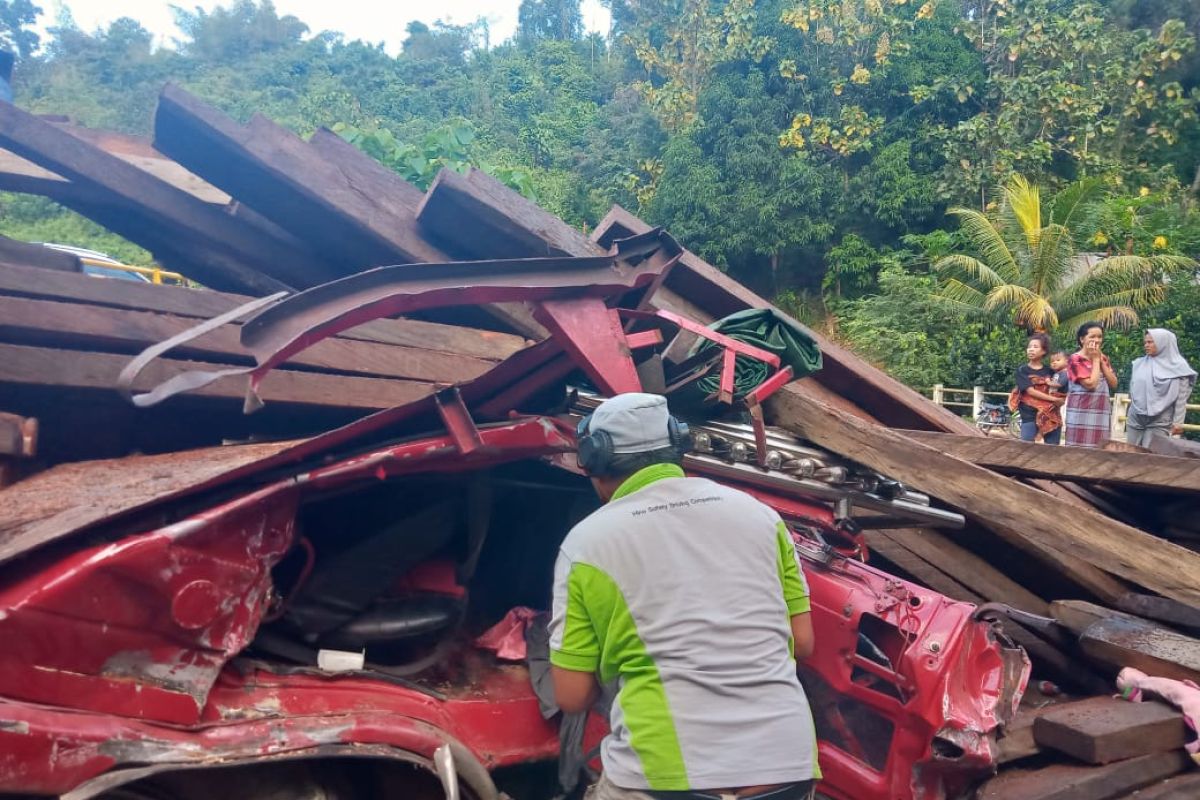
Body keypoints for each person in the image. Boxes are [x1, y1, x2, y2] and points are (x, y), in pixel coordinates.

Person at [550, 393, 819, 800]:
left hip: (665, 778)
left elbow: (572, 696)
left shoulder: (586, 544)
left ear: (594, 461)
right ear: (677, 445)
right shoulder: (761, 516)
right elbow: (802, 644)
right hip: (786, 770)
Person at [1126, 328, 1197, 448]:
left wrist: (1178, 422)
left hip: (1160, 419)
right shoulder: (1139, 364)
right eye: (1145, 342)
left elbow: (1181, 399)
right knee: (1131, 453)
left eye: (1150, 342)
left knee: (1152, 455)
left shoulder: (1179, 368)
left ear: (1163, 343)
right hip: (1136, 417)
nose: (1146, 345)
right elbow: (1133, 390)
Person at [1065, 321, 1118, 448]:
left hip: (1100, 412)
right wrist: (1095, 360)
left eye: (1099, 337)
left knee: (1099, 451)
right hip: (1081, 413)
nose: (1097, 340)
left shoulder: (1103, 358)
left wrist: (1100, 361)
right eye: (1092, 336)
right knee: (1078, 451)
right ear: (1082, 339)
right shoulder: (1075, 359)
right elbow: (1091, 385)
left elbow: (1114, 383)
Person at [1014, 333, 1064, 444]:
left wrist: (1060, 400)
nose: (1031, 350)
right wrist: (1054, 400)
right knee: (1025, 449)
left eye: (1035, 347)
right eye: (1029, 347)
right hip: (1029, 416)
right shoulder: (1022, 370)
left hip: (1050, 416)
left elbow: (1060, 389)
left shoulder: (1051, 371)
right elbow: (1030, 391)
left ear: (1044, 351)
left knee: (1052, 451)